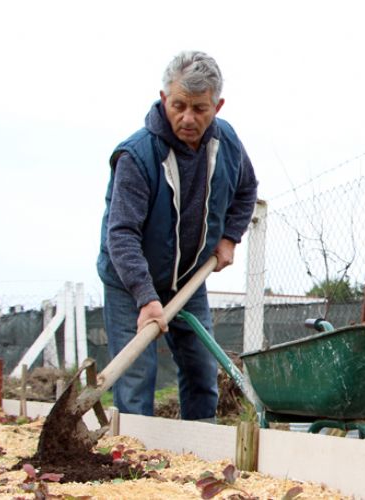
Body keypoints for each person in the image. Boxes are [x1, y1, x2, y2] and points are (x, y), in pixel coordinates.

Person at [97, 51, 258, 421]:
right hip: (130, 282)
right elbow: (120, 235)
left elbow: (246, 189)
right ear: (163, 97)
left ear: (217, 106)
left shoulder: (227, 142)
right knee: (137, 376)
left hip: (188, 276)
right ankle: (137, 459)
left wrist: (230, 237)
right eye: (178, 105)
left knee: (201, 368)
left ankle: (201, 448)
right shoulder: (136, 157)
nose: (188, 118)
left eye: (199, 108)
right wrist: (145, 297)